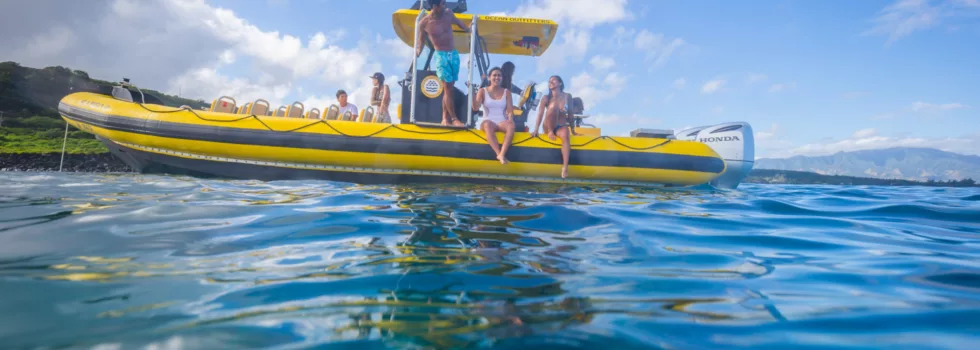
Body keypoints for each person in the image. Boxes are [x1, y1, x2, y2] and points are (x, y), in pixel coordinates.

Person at [416, 0, 470, 127]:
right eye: (442, 3)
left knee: (449, 89)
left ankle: (444, 118)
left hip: (453, 54)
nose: (444, 6)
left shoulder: (448, 14)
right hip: (441, 56)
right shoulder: (424, 22)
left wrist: (469, 29)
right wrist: (418, 52)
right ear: (434, 6)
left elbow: (459, 23)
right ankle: (454, 118)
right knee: (448, 88)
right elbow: (421, 41)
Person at [531, 75, 576, 179]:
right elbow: (540, 114)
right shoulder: (546, 98)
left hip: (560, 126)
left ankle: (565, 167)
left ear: (560, 83)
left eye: (553, 80)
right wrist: (536, 129)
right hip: (548, 126)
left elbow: (570, 114)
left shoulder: (567, 96)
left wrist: (573, 130)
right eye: (549, 81)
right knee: (553, 107)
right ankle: (551, 131)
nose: (550, 82)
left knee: (565, 134)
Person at [472, 67, 516, 165]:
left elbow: (509, 110)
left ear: (502, 78)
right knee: (488, 124)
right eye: (494, 75)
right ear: (489, 78)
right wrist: (472, 93)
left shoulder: (506, 92)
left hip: (501, 122)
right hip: (487, 121)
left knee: (511, 126)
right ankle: (498, 153)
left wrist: (510, 119)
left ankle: (502, 154)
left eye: (499, 75)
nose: (497, 77)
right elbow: (475, 107)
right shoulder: (482, 91)